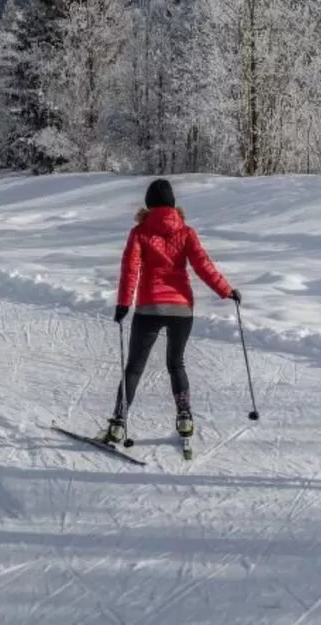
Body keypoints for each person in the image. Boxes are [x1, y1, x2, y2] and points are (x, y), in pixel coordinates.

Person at [102, 179, 238, 445]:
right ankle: (185, 416)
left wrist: (123, 303)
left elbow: (130, 270)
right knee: (176, 364)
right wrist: (227, 290)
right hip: (181, 309)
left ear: (149, 204)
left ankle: (118, 423)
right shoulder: (186, 232)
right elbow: (203, 265)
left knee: (134, 368)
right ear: (173, 204)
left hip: (149, 307)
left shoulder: (139, 232)